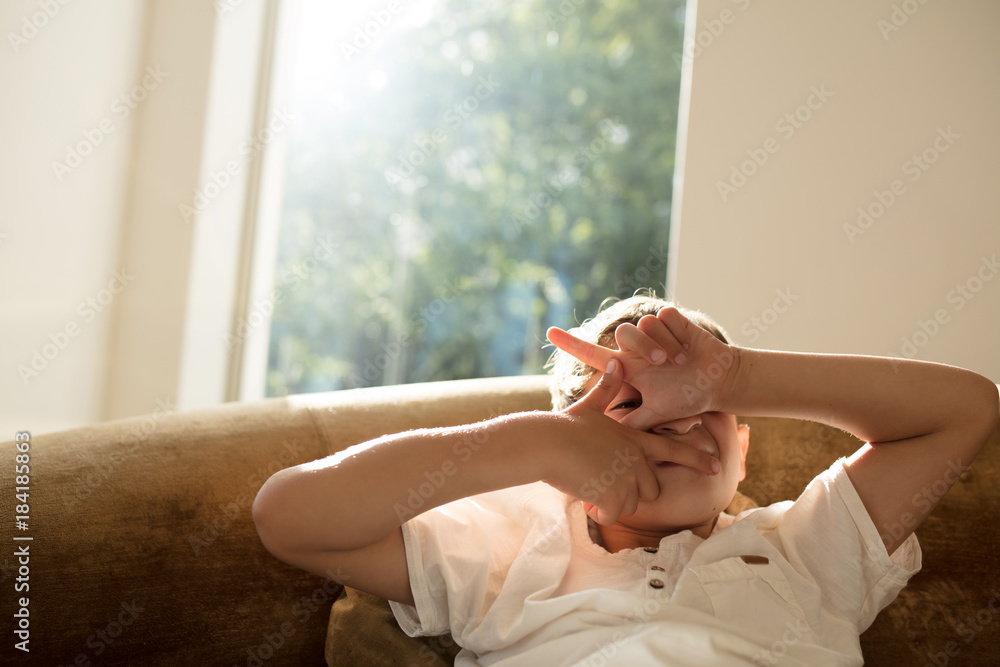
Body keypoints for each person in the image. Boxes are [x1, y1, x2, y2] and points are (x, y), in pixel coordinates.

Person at [252, 294, 998, 666]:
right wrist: (533, 441)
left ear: (742, 448)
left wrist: (738, 373)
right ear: (563, 461)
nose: (671, 423)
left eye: (700, 406)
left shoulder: (803, 546)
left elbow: (964, 411)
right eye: (628, 403)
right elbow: (290, 515)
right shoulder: (507, 548)